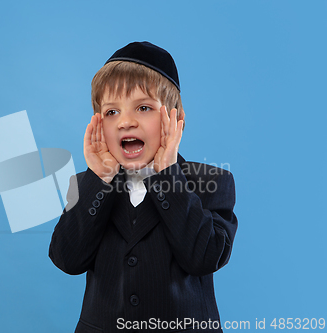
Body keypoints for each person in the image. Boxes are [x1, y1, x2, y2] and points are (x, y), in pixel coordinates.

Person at [49, 41, 237, 333]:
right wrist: (100, 178)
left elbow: (204, 257)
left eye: (144, 107)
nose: (125, 122)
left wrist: (167, 175)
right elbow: (67, 259)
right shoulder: (87, 185)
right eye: (112, 112)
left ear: (175, 119)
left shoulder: (210, 182)